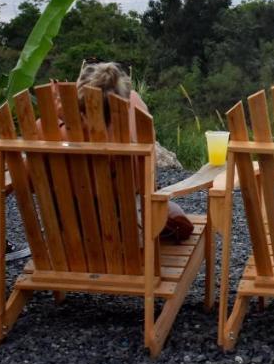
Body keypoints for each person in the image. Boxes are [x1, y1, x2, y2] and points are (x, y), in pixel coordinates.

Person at [74, 60, 194, 243]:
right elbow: (147, 186)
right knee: (176, 218)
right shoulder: (135, 112)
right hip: (129, 238)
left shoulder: (57, 130)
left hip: (73, 238)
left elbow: (29, 179)